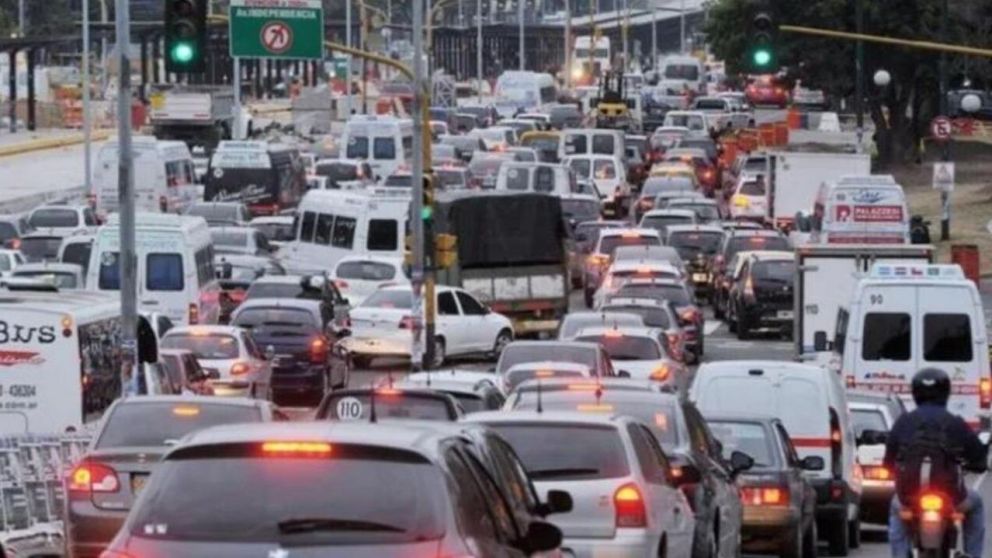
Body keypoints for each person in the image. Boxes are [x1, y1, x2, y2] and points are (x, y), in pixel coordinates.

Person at [885, 368, 988, 558]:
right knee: (977, 504)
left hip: (909, 498)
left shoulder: (904, 422)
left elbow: (888, 462)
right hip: (951, 498)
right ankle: (973, 555)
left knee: (895, 509)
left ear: (915, 393)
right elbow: (978, 459)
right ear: (946, 392)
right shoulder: (955, 423)